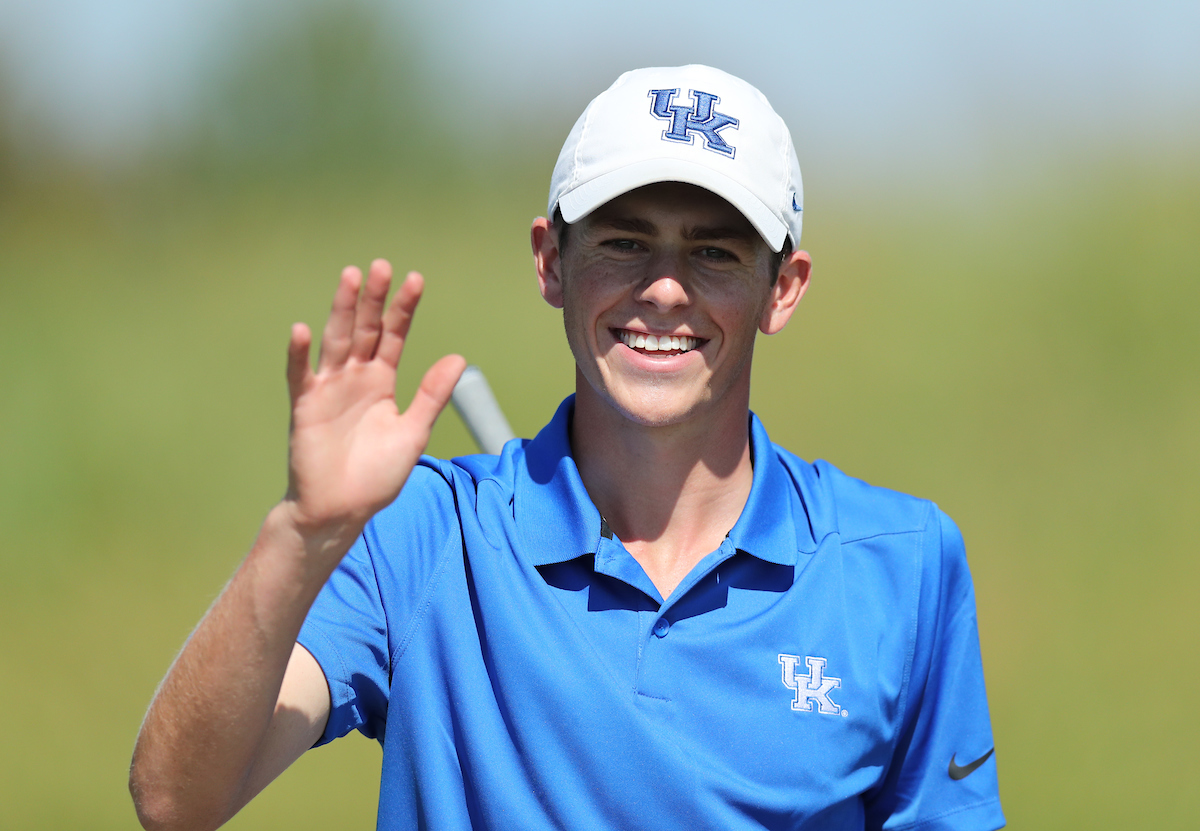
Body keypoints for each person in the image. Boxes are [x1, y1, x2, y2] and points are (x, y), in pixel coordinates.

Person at [130, 65, 1004, 831]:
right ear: (552, 260)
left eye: (715, 252)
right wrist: (304, 531)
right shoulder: (426, 535)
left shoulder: (904, 566)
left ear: (784, 288)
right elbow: (177, 802)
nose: (664, 288)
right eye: (624, 242)